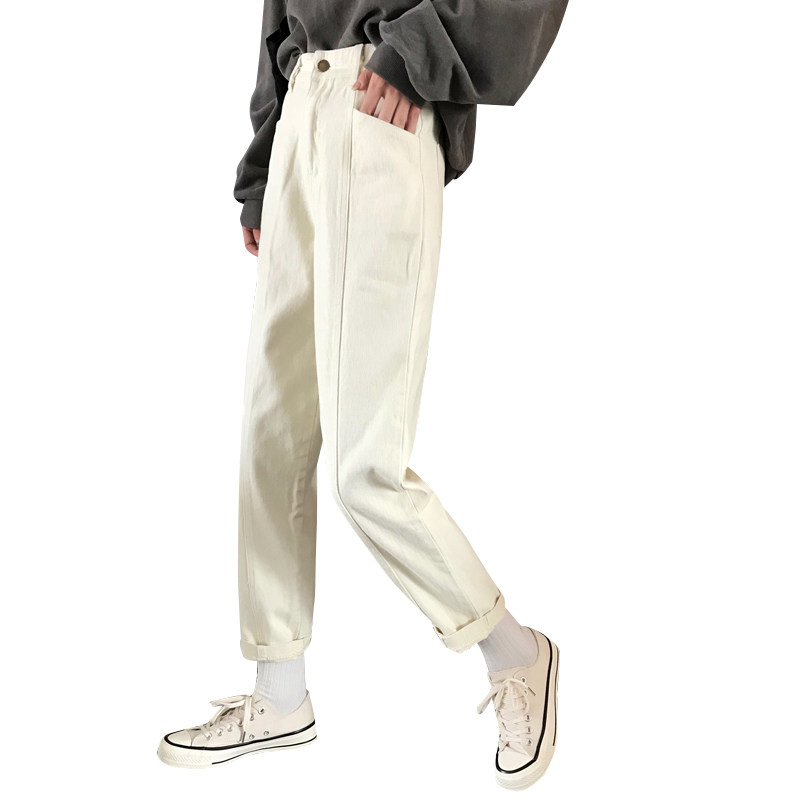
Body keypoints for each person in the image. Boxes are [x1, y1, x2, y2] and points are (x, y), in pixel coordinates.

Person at [157, 0, 568, 790]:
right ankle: (280, 693)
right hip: (301, 113)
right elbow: (280, 16)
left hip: (385, 101)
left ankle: (514, 651)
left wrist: (418, 51)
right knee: (270, 435)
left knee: (364, 467)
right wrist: (264, 165)